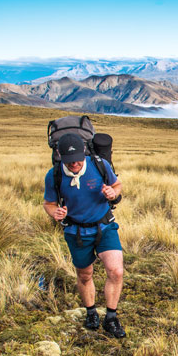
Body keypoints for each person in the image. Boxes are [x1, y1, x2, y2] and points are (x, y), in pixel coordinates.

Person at [43, 133, 126, 338]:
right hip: (76, 231)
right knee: (84, 275)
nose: (75, 164)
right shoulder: (54, 175)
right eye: (69, 161)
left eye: (78, 159)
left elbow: (117, 185)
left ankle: (111, 318)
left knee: (116, 271)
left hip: (104, 226)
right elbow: (49, 203)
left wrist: (113, 194)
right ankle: (91, 313)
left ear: (85, 153)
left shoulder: (100, 165)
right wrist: (55, 213)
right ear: (60, 156)